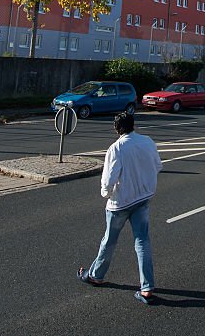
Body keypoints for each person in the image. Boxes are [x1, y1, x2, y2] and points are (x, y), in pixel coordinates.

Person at [78, 111, 163, 304]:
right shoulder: (148, 141)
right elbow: (157, 166)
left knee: (109, 240)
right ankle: (147, 288)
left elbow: (108, 180)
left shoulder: (116, 148)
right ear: (133, 125)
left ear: (116, 128)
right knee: (142, 241)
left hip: (120, 203)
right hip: (143, 199)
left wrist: (105, 194)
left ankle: (95, 275)